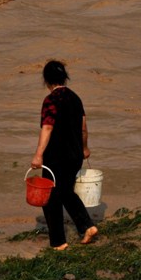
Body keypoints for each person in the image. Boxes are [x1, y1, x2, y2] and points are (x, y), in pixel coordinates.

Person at [30, 60, 98, 250]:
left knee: (50, 198)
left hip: (57, 157)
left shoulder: (51, 100)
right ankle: (87, 226)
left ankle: (59, 243)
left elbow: (48, 127)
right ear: (64, 77)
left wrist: (38, 154)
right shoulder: (75, 98)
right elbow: (83, 127)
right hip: (75, 155)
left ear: (46, 80)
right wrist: (85, 148)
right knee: (66, 191)